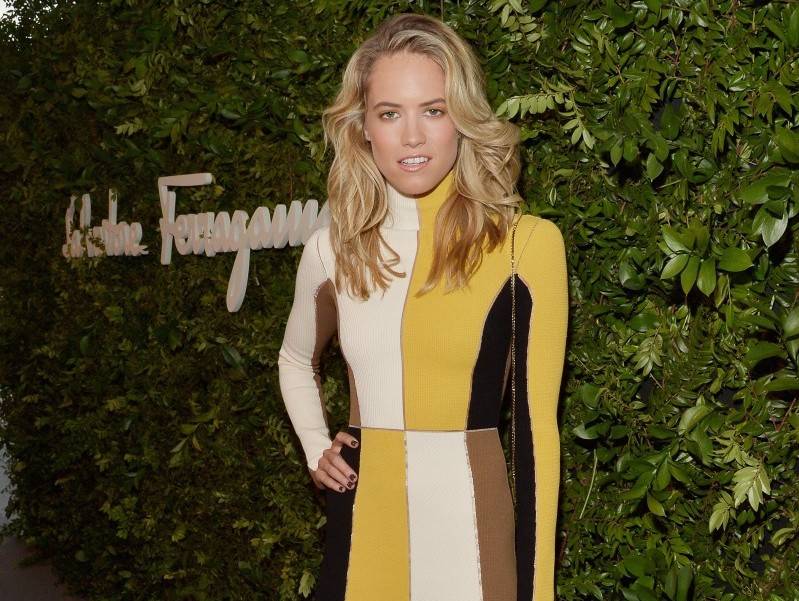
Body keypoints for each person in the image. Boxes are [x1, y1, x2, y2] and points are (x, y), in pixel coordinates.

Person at [277, 12, 568, 601]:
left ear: (462, 119)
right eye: (390, 113)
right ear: (363, 127)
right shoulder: (332, 251)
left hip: (472, 543)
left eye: (433, 110)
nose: (412, 136)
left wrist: (538, 592)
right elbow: (293, 358)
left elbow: (537, 437)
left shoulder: (526, 246)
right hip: (362, 538)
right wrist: (315, 448)